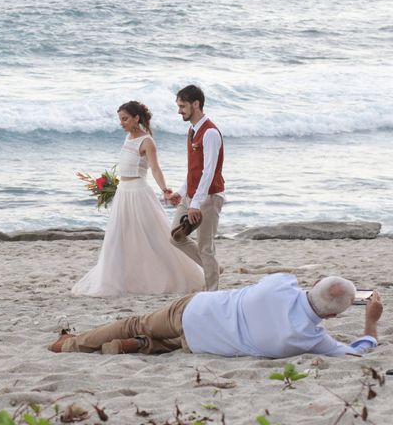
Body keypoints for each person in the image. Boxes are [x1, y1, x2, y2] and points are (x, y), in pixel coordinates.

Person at [52, 273, 383, 358]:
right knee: (169, 346)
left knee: (136, 321)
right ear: (335, 319)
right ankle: (137, 346)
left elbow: (295, 289)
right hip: (201, 344)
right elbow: (355, 353)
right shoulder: (310, 339)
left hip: (195, 310)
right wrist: (371, 324)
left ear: (312, 283)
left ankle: (72, 345)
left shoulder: (281, 285)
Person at [71, 101, 205, 296]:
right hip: (123, 193)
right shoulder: (128, 137)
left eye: (125, 119)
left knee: (153, 237)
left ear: (136, 118)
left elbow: (155, 168)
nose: (122, 123)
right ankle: (121, 279)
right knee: (118, 237)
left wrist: (165, 190)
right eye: (120, 119)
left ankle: (184, 272)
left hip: (139, 194)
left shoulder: (147, 141)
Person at [169, 85, 225, 291]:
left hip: (209, 198)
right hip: (192, 197)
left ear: (196, 104)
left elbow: (209, 172)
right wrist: (182, 192)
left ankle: (212, 294)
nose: (179, 111)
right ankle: (214, 268)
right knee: (176, 237)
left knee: (205, 249)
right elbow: (194, 169)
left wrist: (196, 203)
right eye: (178, 106)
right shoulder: (192, 130)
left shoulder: (210, 132)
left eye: (182, 106)